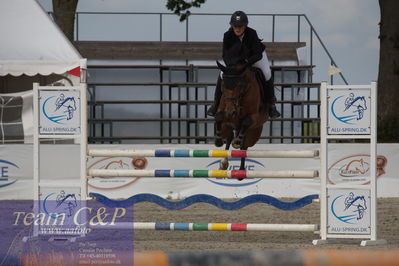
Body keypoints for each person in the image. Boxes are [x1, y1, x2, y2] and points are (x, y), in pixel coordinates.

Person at [207, 11, 280, 118]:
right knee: (222, 74)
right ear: (232, 26)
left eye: (240, 26)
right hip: (234, 61)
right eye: (235, 26)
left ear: (245, 26)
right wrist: (233, 66)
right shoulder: (227, 35)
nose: (237, 28)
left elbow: (257, 55)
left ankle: (271, 105)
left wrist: (246, 63)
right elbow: (225, 55)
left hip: (254, 58)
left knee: (267, 73)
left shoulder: (252, 34)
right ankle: (215, 104)